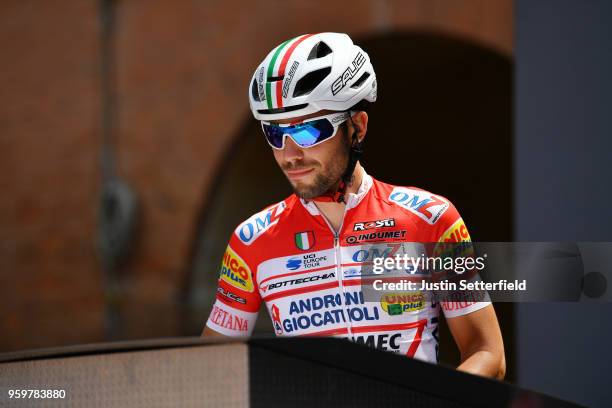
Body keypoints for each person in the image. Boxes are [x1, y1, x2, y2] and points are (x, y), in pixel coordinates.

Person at [202, 32, 505, 379]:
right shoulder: (251, 242)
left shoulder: (430, 219)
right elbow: (210, 373)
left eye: (307, 132)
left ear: (356, 127)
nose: (289, 154)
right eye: (275, 134)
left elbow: (487, 353)